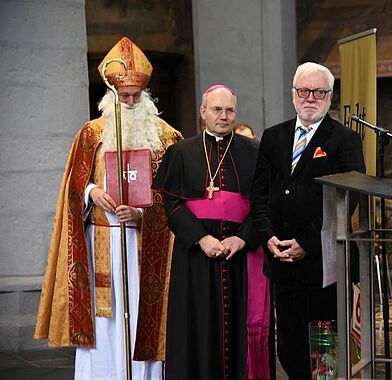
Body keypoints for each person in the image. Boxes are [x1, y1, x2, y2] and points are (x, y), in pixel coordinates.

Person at [33, 36, 183, 379]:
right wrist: (91, 192)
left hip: (146, 244)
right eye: (123, 96)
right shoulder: (92, 134)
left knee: (143, 313)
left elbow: (174, 194)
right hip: (102, 241)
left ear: (145, 96)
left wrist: (143, 214)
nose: (129, 103)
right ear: (110, 96)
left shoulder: (165, 136)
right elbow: (71, 187)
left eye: (135, 97)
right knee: (106, 319)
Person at [250, 62, 366, 379]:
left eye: (318, 92)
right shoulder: (273, 137)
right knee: (289, 348)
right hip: (281, 261)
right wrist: (268, 236)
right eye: (304, 91)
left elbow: (348, 198)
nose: (310, 97)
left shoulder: (345, 140)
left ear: (330, 96)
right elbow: (259, 194)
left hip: (322, 265)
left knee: (325, 352)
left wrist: (306, 242)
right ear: (293, 94)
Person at [152, 85, 271, 379]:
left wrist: (243, 238)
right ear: (203, 112)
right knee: (196, 325)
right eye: (217, 110)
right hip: (195, 255)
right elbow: (171, 204)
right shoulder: (180, 153)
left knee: (238, 326)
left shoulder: (255, 152)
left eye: (230, 110)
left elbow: (265, 203)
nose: (224, 116)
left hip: (240, 256)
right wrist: (201, 238)